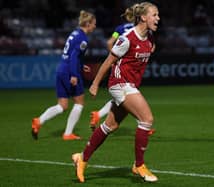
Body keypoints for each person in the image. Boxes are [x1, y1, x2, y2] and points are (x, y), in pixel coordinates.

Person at [72, 2, 160, 183]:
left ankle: (82, 158)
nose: (158, 18)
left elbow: (148, 50)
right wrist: (96, 83)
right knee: (147, 119)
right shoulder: (127, 38)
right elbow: (109, 60)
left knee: (110, 126)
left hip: (130, 84)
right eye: (154, 15)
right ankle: (139, 165)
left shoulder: (150, 37)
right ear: (143, 17)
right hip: (119, 83)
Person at [90, 3, 155, 136]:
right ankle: (143, 124)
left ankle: (99, 115)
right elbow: (152, 47)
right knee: (129, 100)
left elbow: (109, 42)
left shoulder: (119, 28)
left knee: (120, 102)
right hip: (124, 72)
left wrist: (116, 56)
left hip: (122, 65)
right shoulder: (140, 31)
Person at [31, 10, 96, 140]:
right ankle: (68, 133)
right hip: (69, 72)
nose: (95, 26)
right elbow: (73, 56)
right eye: (94, 24)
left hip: (61, 69)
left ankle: (39, 121)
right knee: (79, 103)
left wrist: (80, 65)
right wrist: (74, 74)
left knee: (62, 105)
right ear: (88, 24)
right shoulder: (83, 38)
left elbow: (71, 55)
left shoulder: (74, 33)